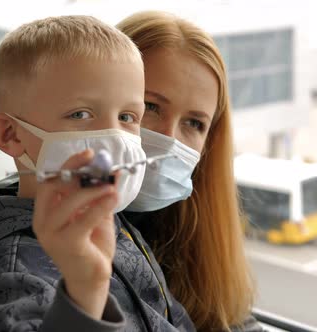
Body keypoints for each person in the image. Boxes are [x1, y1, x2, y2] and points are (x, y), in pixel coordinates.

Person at [0, 15, 195, 331]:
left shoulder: (108, 222)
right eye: (80, 114)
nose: (115, 137)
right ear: (10, 135)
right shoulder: (12, 267)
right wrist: (84, 292)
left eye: (127, 116)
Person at [117, 11, 261, 331]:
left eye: (194, 123)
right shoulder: (35, 235)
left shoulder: (192, 229)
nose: (169, 140)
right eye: (150, 106)